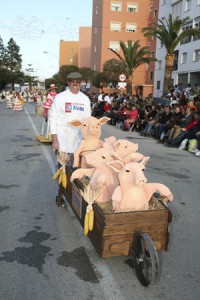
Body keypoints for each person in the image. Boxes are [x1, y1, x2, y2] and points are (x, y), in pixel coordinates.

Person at [49, 72, 91, 206]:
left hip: (77, 143)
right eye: (72, 81)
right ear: (68, 83)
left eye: (78, 82)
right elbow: (53, 118)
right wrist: (55, 139)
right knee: (61, 171)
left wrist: (88, 142)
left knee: (76, 172)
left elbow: (87, 122)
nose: (75, 84)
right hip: (62, 141)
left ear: (81, 83)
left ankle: (74, 199)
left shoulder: (85, 99)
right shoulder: (60, 98)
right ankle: (59, 195)